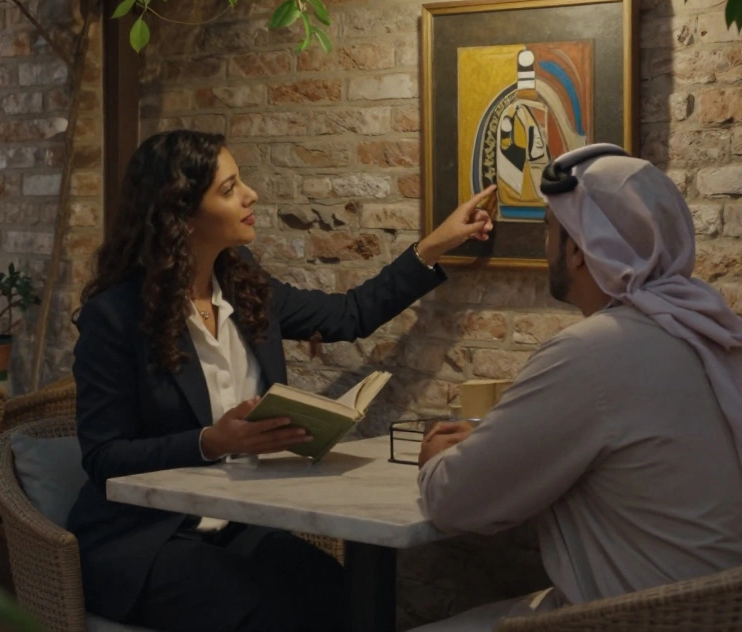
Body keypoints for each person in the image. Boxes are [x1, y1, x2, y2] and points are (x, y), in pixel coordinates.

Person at [68, 129, 495, 632]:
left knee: (340, 594)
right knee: (267, 613)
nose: (250, 195)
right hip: (145, 541)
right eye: (228, 189)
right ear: (180, 216)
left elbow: (347, 315)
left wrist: (436, 244)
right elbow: (103, 458)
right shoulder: (115, 316)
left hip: (239, 525)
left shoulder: (243, 282)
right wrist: (210, 442)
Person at [413, 144, 742, 631]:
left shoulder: (592, 352)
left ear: (581, 252)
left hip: (647, 617)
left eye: (550, 231)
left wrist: (436, 460)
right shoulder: (715, 330)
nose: (546, 248)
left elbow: (457, 501)